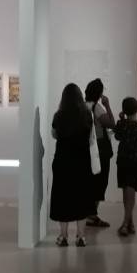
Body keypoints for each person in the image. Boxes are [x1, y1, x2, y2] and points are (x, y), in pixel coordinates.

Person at [50, 83, 95, 247]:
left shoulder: (58, 115)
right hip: (82, 162)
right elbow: (91, 138)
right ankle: (81, 236)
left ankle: (63, 236)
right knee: (81, 197)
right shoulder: (87, 115)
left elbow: (54, 134)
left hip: (63, 162)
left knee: (63, 197)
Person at [114, 97, 137, 237]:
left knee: (127, 192)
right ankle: (130, 223)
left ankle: (125, 224)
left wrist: (121, 119)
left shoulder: (121, 124)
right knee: (129, 193)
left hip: (123, 161)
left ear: (124, 110)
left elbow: (117, 137)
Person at [84, 78, 115, 228]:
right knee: (100, 182)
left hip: (88, 147)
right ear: (99, 93)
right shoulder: (97, 108)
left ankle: (89, 213)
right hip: (100, 148)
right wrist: (107, 105)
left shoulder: (83, 105)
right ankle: (91, 215)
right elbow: (112, 124)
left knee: (91, 181)